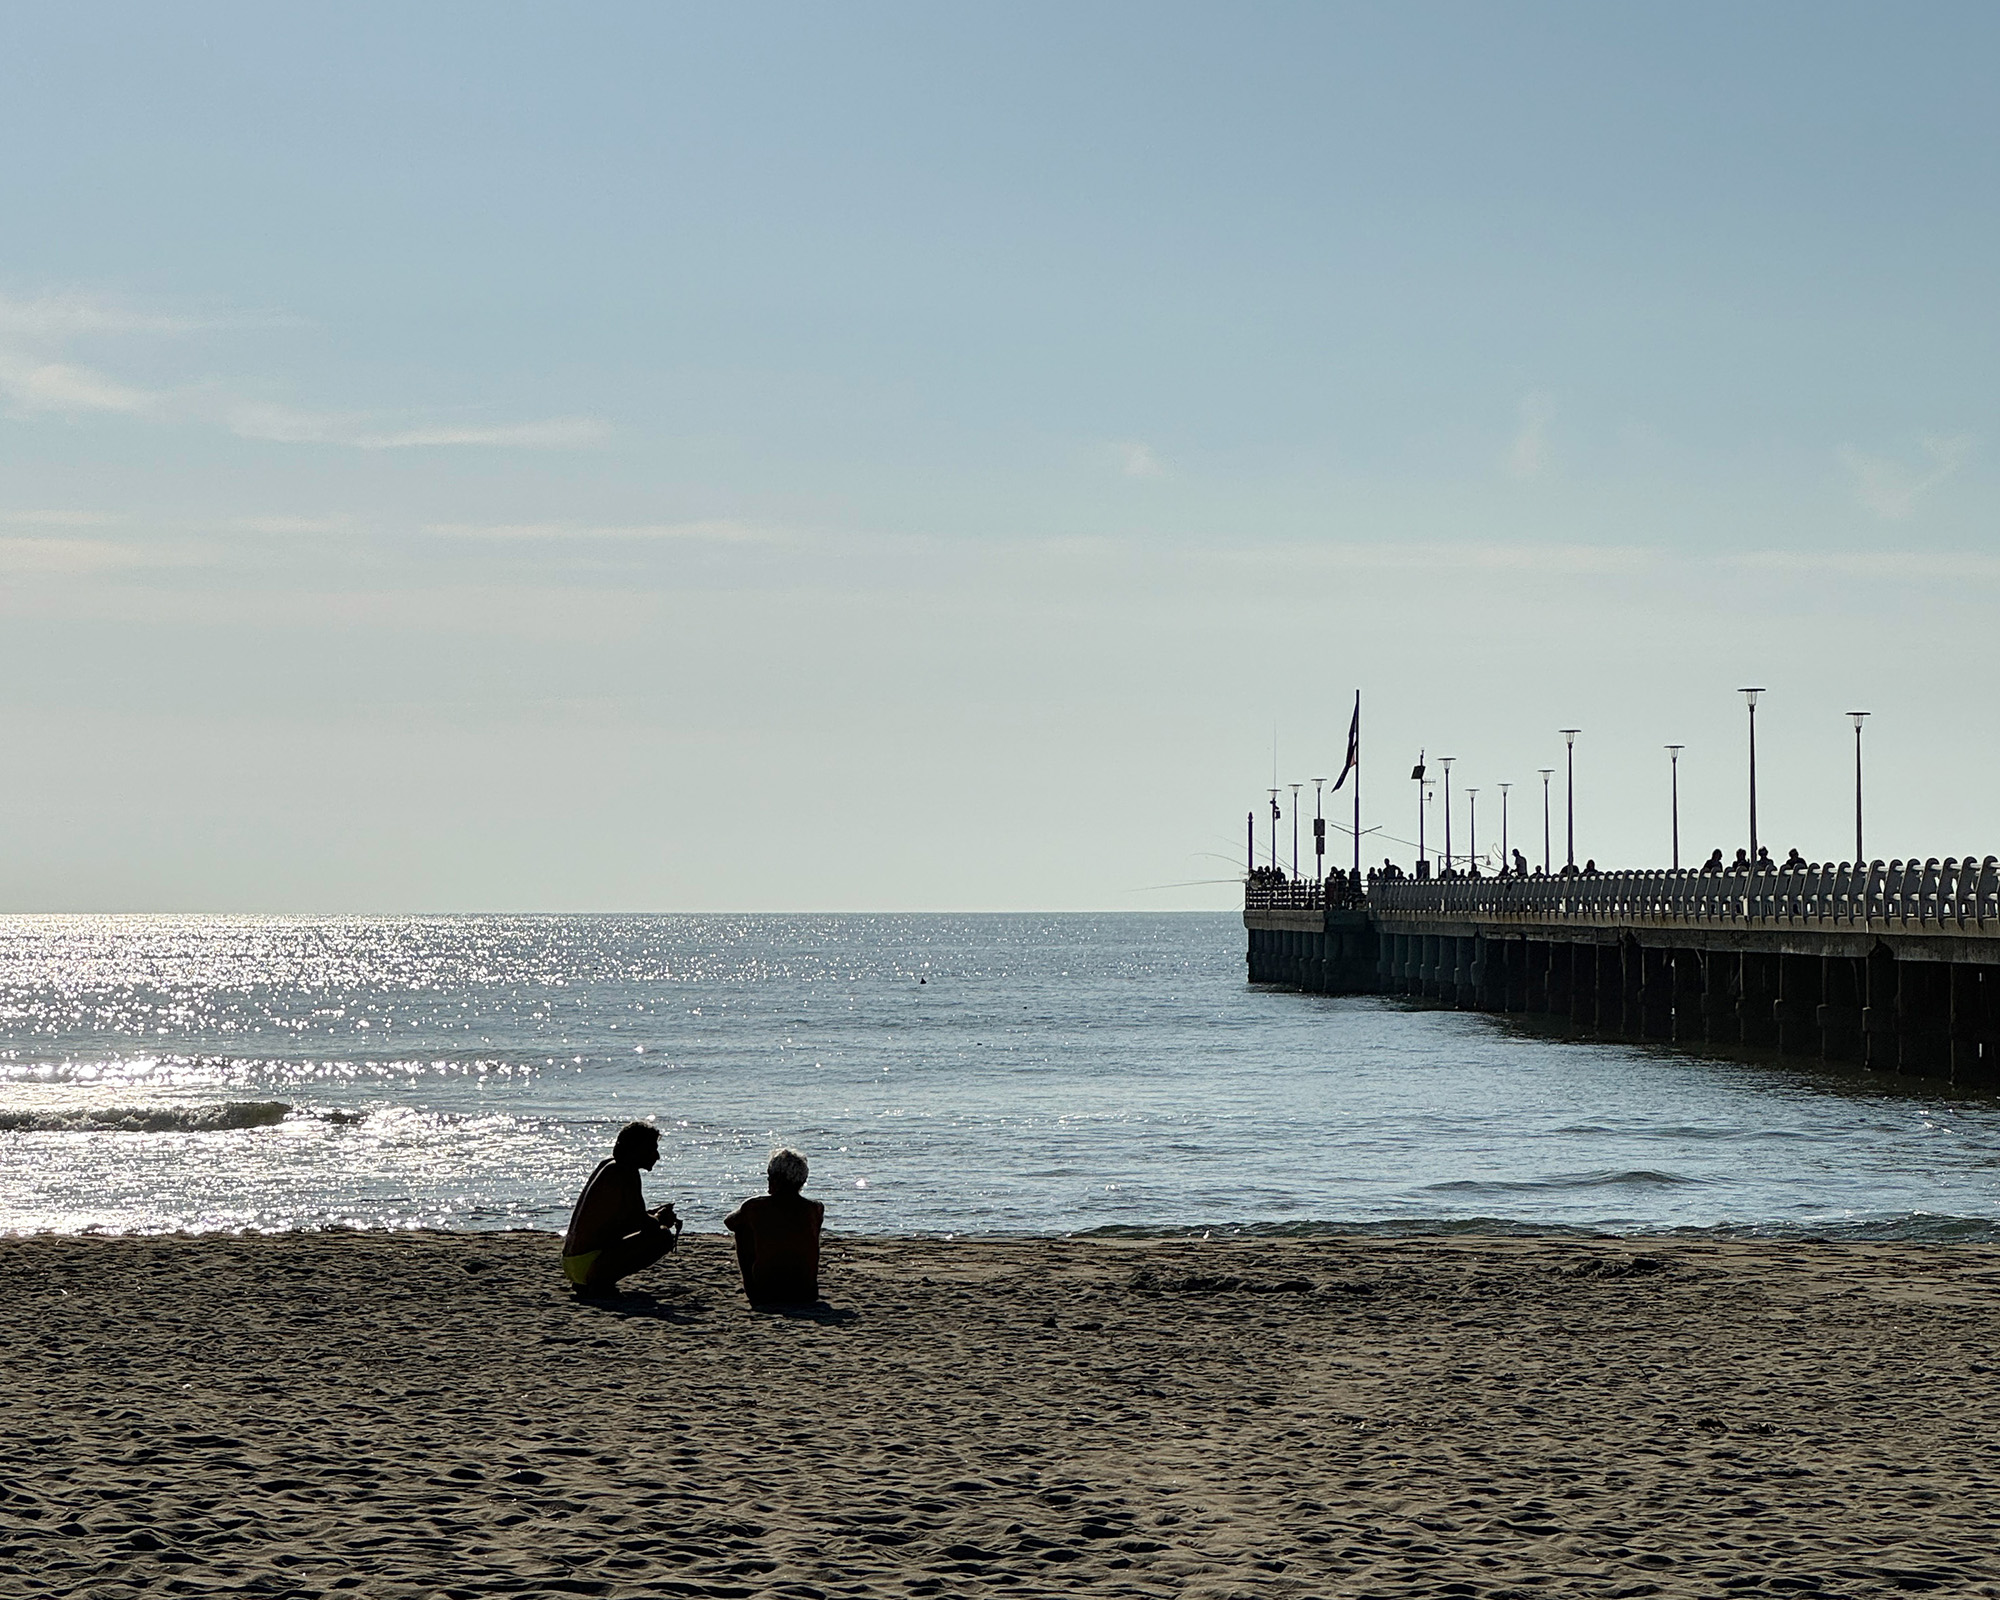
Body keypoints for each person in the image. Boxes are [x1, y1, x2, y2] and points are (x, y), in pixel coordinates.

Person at [560, 1121, 682, 1296]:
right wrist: (660, 1218)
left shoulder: (609, 1165)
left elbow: (627, 1218)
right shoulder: (626, 1172)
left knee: (656, 1230)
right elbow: (643, 1224)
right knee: (661, 1237)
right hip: (590, 1264)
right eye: (652, 1149)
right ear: (637, 1149)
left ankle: (592, 1282)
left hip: (573, 1263)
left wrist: (653, 1214)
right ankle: (601, 1283)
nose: (657, 1156)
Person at [725, 1146, 824, 1307]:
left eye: (770, 1176)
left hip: (764, 1293)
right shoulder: (815, 1208)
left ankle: (752, 1284)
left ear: (776, 1180)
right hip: (806, 1292)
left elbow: (730, 1222)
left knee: (742, 1228)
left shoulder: (755, 1207)